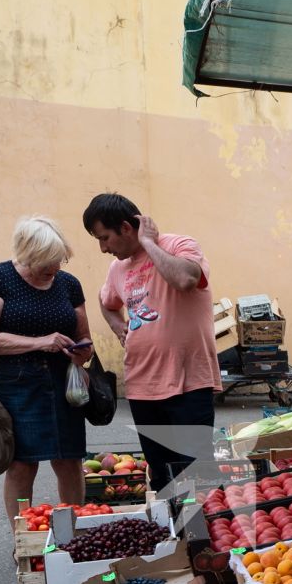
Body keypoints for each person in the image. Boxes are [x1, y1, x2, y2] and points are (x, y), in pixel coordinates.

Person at [87, 192, 218, 496]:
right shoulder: (117, 269)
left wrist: (148, 243)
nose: (103, 247)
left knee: (196, 475)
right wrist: (117, 324)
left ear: (126, 228)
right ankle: (174, 541)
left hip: (188, 383)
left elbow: (186, 279)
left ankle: (202, 542)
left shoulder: (179, 245)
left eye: (105, 237)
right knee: (160, 477)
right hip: (142, 386)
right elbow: (106, 300)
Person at [0, 216, 93, 518]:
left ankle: (74, 534)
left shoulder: (68, 284)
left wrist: (81, 353)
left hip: (65, 387)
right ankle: (23, 540)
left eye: (58, 261)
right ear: (28, 254)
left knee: (70, 461)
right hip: (18, 383)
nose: (54, 269)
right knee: (22, 465)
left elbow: (84, 338)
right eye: (47, 263)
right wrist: (39, 342)